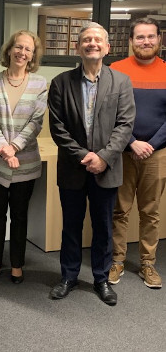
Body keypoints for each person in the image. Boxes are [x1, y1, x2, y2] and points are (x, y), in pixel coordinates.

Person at [48, 22, 135, 306]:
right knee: (71, 226)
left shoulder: (120, 81)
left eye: (98, 40)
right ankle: (68, 276)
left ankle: (101, 278)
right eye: (86, 40)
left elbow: (125, 125)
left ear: (107, 47)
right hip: (73, 168)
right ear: (78, 47)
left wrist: (104, 157)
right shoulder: (62, 81)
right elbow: (57, 127)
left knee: (103, 226)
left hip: (107, 169)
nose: (92, 43)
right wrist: (83, 156)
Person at [0, 30, 47, 284]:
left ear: (33, 55)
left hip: (25, 163)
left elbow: (36, 122)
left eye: (28, 49)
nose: (22, 53)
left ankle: (17, 264)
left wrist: (15, 147)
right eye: (18, 47)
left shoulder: (40, 84)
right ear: (9, 50)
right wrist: (4, 149)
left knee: (19, 215)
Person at [109, 17, 166, 289]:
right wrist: (131, 141)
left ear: (159, 39)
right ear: (131, 41)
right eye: (140, 37)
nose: (146, 42)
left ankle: (147, 263)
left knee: (150, 211)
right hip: (122, 150)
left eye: (151, 36)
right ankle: (117, 260)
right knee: (119, 209)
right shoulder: (116, 70)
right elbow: (109, 113)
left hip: (157, 154)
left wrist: (151, 144)